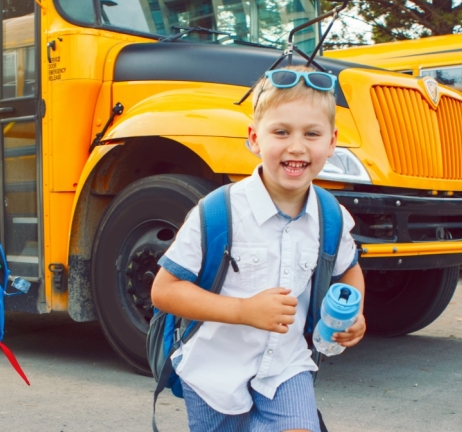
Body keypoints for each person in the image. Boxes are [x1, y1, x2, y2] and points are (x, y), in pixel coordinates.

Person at [150, 65, 367, 432]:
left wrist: (353, 313)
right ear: (254, 137)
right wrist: (243, 310)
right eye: (281, 132)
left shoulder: (331, 216)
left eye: (312, 133)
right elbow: (164, 291)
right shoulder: (216, 212)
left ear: (331, 142)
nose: (296, 146)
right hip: (213, 374)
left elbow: (348, 270)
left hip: (286, 368)